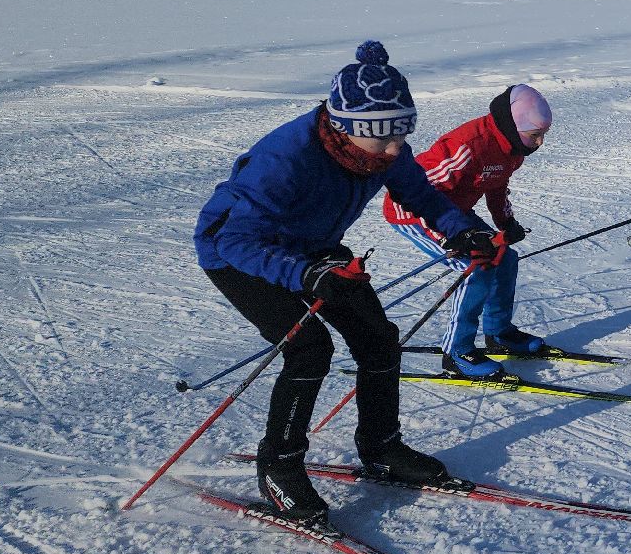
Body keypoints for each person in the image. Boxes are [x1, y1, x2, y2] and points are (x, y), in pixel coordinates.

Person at [193, 41, 499, 522]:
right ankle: (279, 467)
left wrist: (463, 230)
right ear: (345, 128)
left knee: (378, 338)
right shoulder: (285, 160)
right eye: (383, 138)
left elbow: (422, 195)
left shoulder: (382, 150)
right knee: (309, 347)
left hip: (314, 245)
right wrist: (307, 274)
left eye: (403, 132)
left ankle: (381, 447)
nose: (396, 148)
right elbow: (236, 240)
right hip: (241, 255)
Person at [383, 83, 553, 380]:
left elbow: (496, 185)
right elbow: (421, 190)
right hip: (415, 211)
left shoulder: (512, 148)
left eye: (542, 135)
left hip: (455, 211)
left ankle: (498, 332)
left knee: (504, 257)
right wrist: (458, 238)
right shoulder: (468, 145)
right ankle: (457, 351)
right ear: (513, 125)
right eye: (535, 135)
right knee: (475, 267)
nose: (539, 143)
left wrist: (506, 223)